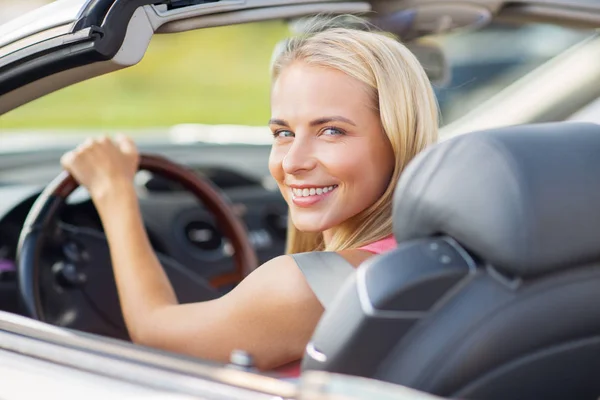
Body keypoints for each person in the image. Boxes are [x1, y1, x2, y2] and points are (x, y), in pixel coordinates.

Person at [60, 17, 439, 372]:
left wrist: (113, 192)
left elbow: (155, 331)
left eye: (331, 131)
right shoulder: (433, 256)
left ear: (398, 138)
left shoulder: (305, 287)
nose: (293, 163)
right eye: (283, 133)